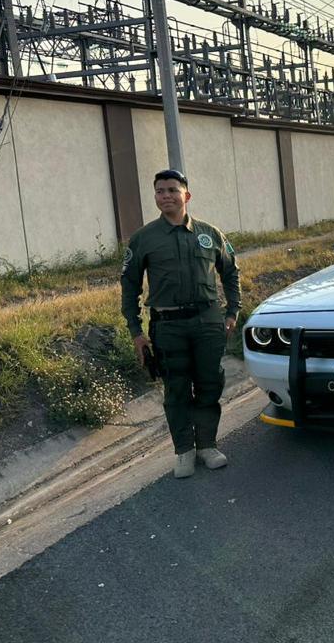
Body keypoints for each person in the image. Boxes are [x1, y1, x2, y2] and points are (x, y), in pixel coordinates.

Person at [121, 169, 241, 479]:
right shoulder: (144, 238)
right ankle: (184, 450)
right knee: (175, 389)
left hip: (207, 322)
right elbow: (130, 286)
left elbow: (231, 272)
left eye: (172, 190)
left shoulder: (210, 234)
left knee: (209, 383)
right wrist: (136, 332)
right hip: (168, 326)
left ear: (186, 195)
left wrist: (232, 312)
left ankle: (207, 446)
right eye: (160, 191)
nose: (166, 196)